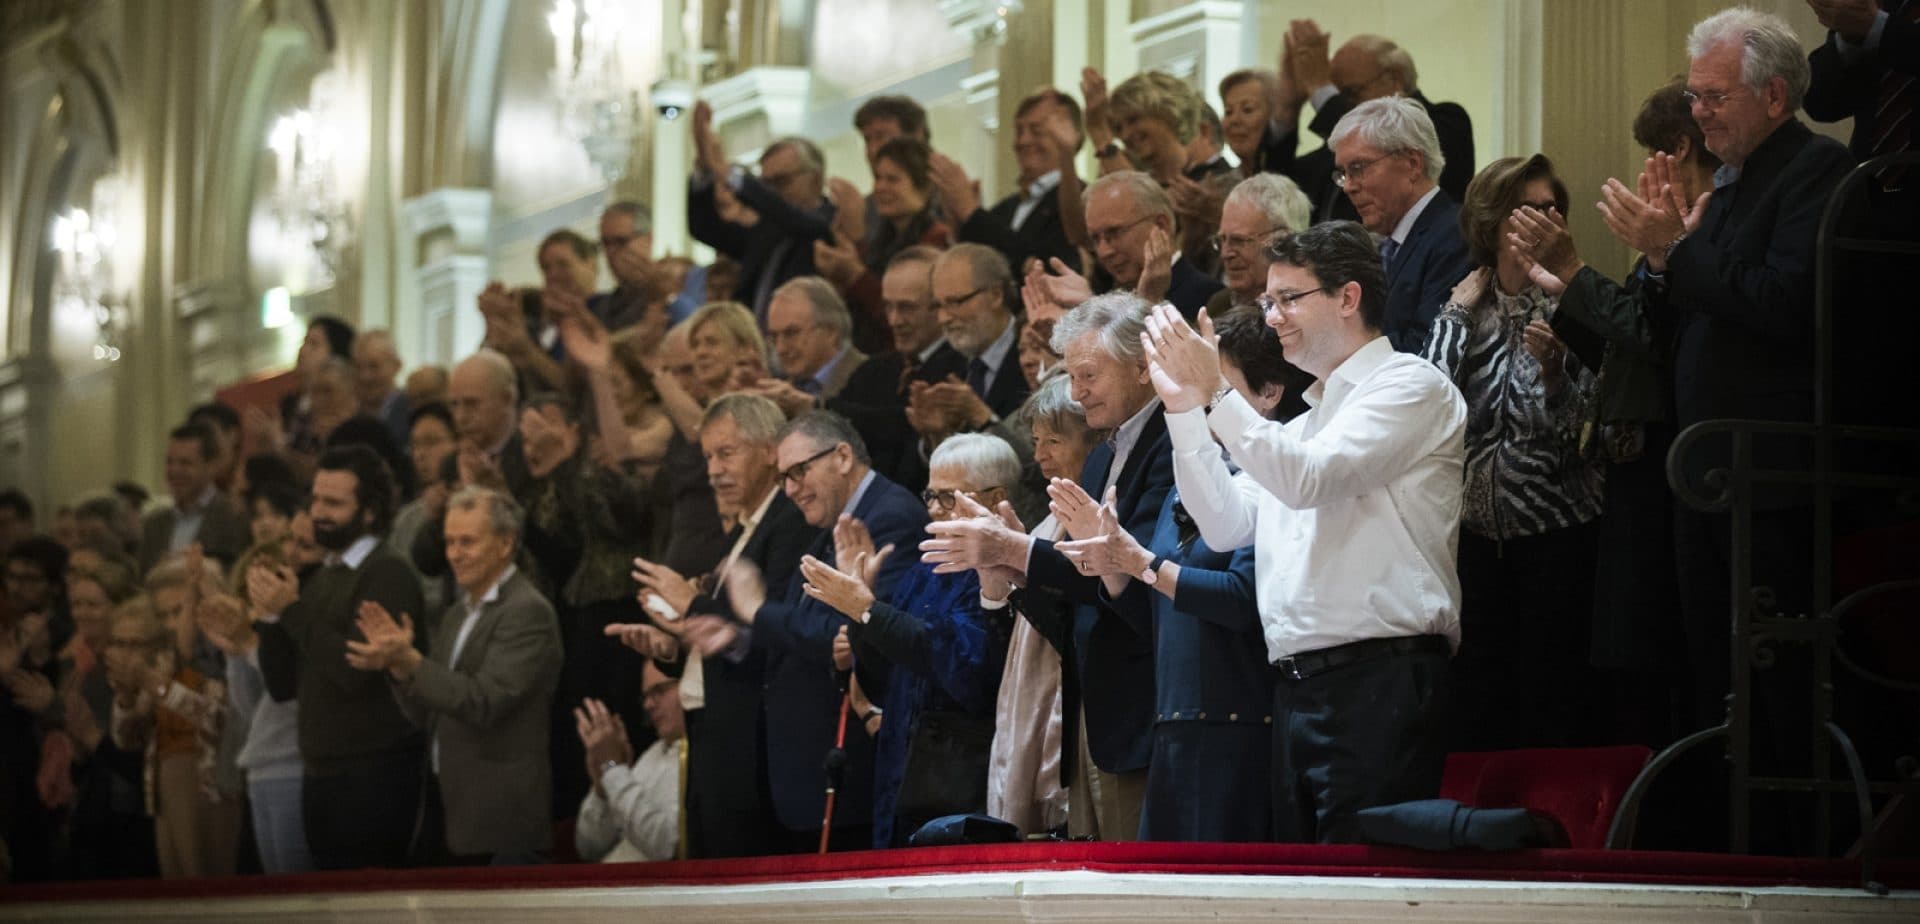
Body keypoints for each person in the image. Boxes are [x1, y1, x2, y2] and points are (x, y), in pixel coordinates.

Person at [1139, 220, 1466, 843]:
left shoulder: (1409, 385)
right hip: (1295, 688)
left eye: (1289, 299)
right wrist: (1185, 407)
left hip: (1381, 680)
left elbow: (1311, 480)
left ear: (1348, 298)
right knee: (1301, 888)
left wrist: (1216, 393)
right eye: (1268, 302)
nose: (1273, 318)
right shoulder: (1299, 426)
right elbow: (1227, 524)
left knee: (1363, 888)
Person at [1593, 8, 1852, 743]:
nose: (1699, 114)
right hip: (1706, 466)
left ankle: (1785, 846)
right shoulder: (1732, 187)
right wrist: (1656, 262)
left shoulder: (1817, 171)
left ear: (1774, 96)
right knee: (1713, 674)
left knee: (1775, 687)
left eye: (1715, 97)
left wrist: (1676, 248)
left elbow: (1786, 302)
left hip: (1770, 470)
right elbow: (1690, 318)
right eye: (1696, 97)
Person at [921, 292, 1172, 840]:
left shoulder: (1174, 438)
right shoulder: (1107, 451)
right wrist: (1016, 570)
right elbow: (1086, 590)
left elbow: (1136, 579)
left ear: (1141, 367)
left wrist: (1018, 552)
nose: (1078, 395)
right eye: (1071, 378)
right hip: (1093, 711)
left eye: (1088, 377)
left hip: (1146, 704)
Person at [1054, 307, 1310, 842]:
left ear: (1267, 393)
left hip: (1238, 720)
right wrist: (1115, 570)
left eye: (1215, 388)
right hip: (1173, 720)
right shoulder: (1188, 481)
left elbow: (1241, 598)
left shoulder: (1283, 477)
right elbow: (1154, 609)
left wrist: (1139, 563)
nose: (1201, 400)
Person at [1420, 154, 1604, 751]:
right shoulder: (1464, 308)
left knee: (1550, 703)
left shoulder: (1578, 303)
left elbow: (1592, 436)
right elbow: (1423, 411)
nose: (1549, 220)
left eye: (1556, 208)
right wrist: (1452, 316)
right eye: (1532, 209)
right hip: (1471, 543)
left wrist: (1554, 379)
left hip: (1557, 540)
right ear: (1494, 221)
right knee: (1477, 702)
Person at [797, 433, 1017, 847]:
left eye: (948, 498)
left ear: (995, 498)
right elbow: (884, 680)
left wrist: (868, 610)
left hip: (963, 784)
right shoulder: (924, 570)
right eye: (930, 496)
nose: (933, 510)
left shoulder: (1002, 567)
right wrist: (861, 620)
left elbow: (964, 671)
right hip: (901, 777)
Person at [619, 393, 815, 858]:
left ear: (771, 450)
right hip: (715, 735)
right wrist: (673, 649)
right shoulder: (743, 528)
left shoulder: (789, 522)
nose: (712, 470)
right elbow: (728, 635)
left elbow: (775, 631)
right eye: (708, 456)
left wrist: (691, 603)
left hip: (753, 747)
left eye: (727, 453)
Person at [346, 486, 561, 866]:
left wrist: (412, 661)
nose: (454, 554)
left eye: (468, 542)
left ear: (505, 543)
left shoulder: (527, 612)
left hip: (499, 815)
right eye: (449, 542)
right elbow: (430, 712)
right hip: (447, 806)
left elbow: (483, 702)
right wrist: (398, 667)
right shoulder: (456, 615)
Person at [251, 445, 428, 869]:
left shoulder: (387, 572)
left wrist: (291, 611)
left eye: (333, 502)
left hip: (373, 775)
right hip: (322, 771)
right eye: (315, 499)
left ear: (369, 512)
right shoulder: (326, 575)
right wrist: (271, 616)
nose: (317, 513)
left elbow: (355, 671)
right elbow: (282, 685)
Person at [983, 373, 1091, 838]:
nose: (1040, 454)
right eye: (1035, 440)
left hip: (1072, 713)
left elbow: (1068, 619)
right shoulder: (1049, 518)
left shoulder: (1099, 513)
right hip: (1027, 693)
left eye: (1054, 440)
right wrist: (997, 578)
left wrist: (1015, 562)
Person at [1281, 24, 1477, 215]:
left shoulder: (1447, 120)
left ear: (1395, 79)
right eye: (1337, 96)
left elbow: (1372, 139)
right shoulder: (1342, 152)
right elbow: (1285, 186)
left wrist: (1320, 87)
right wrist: (1287, 109)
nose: (1343, 105)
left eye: (1351, 92)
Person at [1329, 95, 1472, 353]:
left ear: (1412, 164)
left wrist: (1334, 347)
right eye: (1343, 174)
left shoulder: (1455, 236)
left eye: (1359, 168)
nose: (1348, 186)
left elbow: (1425, 348)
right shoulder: (1390, 243)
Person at [688, 101, 837, 322]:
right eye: (765, 184)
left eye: (781, 181)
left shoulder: (828, 222)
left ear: (815, 178)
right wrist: (704, 166)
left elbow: (796, 220)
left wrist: (728, 174)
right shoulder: (765, 230)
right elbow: (705, 228)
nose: (771, 193)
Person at [816, 138, 953, 354]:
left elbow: (908, 312)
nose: (880, 188)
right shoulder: (881, 239)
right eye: (878, 178)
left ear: (923, 186)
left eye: (893, 179)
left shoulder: (937, 240)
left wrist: (854, 274)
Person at [937, 88, 1086, 277]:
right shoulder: (1005, 208)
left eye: (1036, 130)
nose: (1023, 141)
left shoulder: (1083, 199)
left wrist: (971, 212)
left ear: (1071, 134)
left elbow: (1048, 266)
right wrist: (958, 221)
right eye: (1019, 130)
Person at [572, 663, 685, 862]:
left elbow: (666, 846)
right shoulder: (653, 753)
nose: (648, 704)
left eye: (659, 691)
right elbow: (589, 848)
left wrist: (613, 768)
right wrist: (602, 789)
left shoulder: (703, 756)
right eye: (646, 696)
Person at [1082, 171, 1223, 318]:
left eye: (1115, 233)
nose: (1104, 252)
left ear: (1161, 225)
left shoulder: (1210, 299)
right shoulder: (1110, 303)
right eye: (1096, 239)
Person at [139, 423, 251, 573]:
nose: (174, 470)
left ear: (211, 466)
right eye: (169, 462)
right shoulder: (154, 524)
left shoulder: (234, 517)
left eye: (185, 463)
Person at [1206, 173, 1314, 316]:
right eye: (1222, 240)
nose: (1225, 254)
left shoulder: (1307, 313)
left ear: (1282, 242)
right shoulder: (1219, 306)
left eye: (1239, 241)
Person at [763, 277, 866, 398]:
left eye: (791, 333)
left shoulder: (868, 380)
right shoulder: (783, 390)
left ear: (830, 332)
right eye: (774, 337)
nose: (780, 349)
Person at [351, 330, 412, 451]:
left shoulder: (410, 411)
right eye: (358, 367)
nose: (365, 376)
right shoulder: (351, 415)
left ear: (396, 366)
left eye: (374, 366)